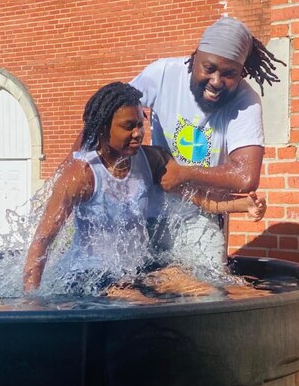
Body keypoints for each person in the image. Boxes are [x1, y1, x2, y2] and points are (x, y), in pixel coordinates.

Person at [23, 82, 266, 298]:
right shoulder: (81, 175)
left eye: (141, 124)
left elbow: (197, 197)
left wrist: (242, 205)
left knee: (210, 289)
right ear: (103, 129)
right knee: (140, 303)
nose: (138, 133)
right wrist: (31, 302)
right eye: (129, 126)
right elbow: (42, 241)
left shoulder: (151, 160)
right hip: (88, 276)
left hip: (136, 271)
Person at [130, 15, 283, 271]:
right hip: (149, 212)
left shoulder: (245, 102)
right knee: (144, 286)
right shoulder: (164, 74)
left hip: (203, 218)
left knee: (204, 288)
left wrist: (182, 173)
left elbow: (246, 176)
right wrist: (78, 165)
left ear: (242, 73)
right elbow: (111, 109)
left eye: (229, 74)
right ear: (195, 58)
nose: (216, 81)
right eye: (209, 68)